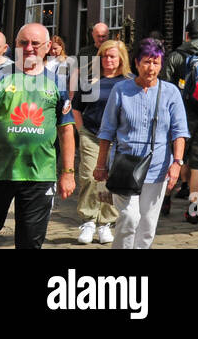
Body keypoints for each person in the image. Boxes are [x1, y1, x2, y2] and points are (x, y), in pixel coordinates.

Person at [93, 38, 189, 250]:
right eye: (146, 62)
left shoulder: (171, 92)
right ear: (136, 63)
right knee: (129, 217)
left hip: (157, 167)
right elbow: (107, 130)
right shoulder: (121, 89)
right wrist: (101, 164)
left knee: (147, 225)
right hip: (125, 166)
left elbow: (179, 132)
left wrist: (177, 162)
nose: (151, 68)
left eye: (156, 63)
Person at [0, 23, 76, 249]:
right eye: (24, 43)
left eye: (35, 43)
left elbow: (66, 129)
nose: (29, 48)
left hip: (39, 175)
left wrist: (68, 172)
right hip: (0, 171)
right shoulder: (1, 77)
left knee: (30, 242)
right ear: (15, 46)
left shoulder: (57, 82)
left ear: (49, 46)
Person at [160, 19, 198, 223]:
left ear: (187, 36)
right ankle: (195, 209)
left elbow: (164, 87)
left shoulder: (176, 56)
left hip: (179, 119)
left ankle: (166, 198)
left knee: (174, 159)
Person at [72, 39, 131, 244]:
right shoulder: (89, 79)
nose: (108, 59)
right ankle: (88, 220)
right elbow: (76, 107)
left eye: (112, 56)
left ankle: (106, 222)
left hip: (118, 137)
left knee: (112, 179)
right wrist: (81, 130)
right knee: (89, 176)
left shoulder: (129, 82)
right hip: (92, 133)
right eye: (104, 56)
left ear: (121, 58)